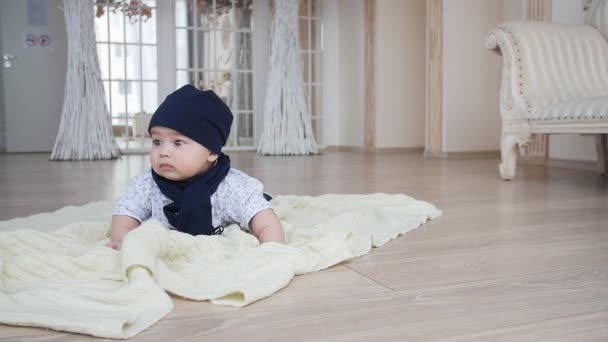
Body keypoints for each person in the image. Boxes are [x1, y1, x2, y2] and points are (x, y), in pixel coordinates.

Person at [106, 85, 285, 250]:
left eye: (178, 142)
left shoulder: (232, 188)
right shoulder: (147, 185)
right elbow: (126, 214)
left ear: (212, 152)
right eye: (157, 142)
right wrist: (122, 238)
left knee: (256, 205)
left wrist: (272, 248)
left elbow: (265, 222)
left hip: (215, 247)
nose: (163, 152)